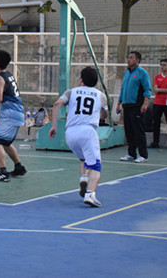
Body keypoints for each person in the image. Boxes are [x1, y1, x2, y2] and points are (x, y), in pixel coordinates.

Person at [49, 67, 109, 207]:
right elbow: (104, 115)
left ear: (81, 79)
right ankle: (90, 195)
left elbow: (57, 104)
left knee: (84, 158)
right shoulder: (101, 95)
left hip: (70, 133)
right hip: (87, 132)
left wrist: (54, 126)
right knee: (96, 167)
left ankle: (83, 178)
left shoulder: (71, 92)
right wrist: (99, 112)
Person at [0, 50, 27, 182]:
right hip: (17, 112)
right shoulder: (9, 75)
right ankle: (19, 167)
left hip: (10, 113)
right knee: (5, 142)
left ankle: (3, 173)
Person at [116, 51, 151, 163]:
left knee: (138, 130)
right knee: (129, 131)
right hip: (126, 105)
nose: (129, 59)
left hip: (137, 105)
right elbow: (123, 89)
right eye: (128, 57)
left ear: (137, 60)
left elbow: (147, 89)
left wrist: (145, 103)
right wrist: (119, 103)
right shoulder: (127, 73)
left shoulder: (142, 73)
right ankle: (131, 153)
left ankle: (143, 155)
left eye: (131, 58)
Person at [150, 58, 167, 149]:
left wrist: (160, 90)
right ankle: (155, 142)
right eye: (161, 65)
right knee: (156, 122)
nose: (162, 67)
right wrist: (163, 90)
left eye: (164, 65)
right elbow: (155, 89)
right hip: (157, 102)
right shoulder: (157, 77)